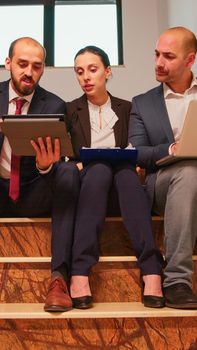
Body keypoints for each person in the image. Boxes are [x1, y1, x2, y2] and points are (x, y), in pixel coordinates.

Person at [65, 45, 165, 309]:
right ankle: (79, 271)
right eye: (79, 72)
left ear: (107, 72)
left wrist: (137, 165)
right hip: (90, 188)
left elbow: (136, 147)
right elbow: (66, 155)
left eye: (93, 69)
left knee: (127, 174)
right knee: (97, 169)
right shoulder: (70, 110)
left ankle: (152, 270)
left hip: (124, 188)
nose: (85, 77)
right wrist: (74, 163)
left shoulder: (128, 108)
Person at [0, 37, 80, 312]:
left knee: (69, 172)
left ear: (43, 68)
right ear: (8, 63)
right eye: (22, 64)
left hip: (33, 191)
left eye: (36, 66)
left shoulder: (55, 106)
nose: (29, 72)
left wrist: (46, 166)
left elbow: (54, 167)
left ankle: (59, 278)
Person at [129, 26, 197, 309]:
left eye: (168, 56)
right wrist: (172, 150)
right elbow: (138, 153)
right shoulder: (142, 103)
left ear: (189, 60)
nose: (158, 62)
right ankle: (177, 280)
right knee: (189, 172)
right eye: (157, 54)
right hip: (162, 185)